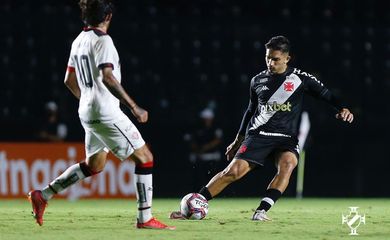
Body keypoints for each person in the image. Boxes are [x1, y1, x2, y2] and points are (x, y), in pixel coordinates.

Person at [171, 35, 354, 221]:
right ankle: (195, 204)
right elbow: (250, 112)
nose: (270, 63)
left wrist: (342, 109)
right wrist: (237, 141)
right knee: (233, 172)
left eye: (275, 59)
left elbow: (326, 95)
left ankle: (261, 211)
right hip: (259, 134)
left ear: (287, 58)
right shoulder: (257, 80)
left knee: (288, 164)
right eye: (267, 58)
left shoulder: (301, 78)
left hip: (286, 137)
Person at [28, 0, 174, 230]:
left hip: (87, 110)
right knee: (145, 157)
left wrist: (87, 99)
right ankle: (145, 218)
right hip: (105, 111)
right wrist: (134, 107)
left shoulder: (78, 40)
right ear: (108, 17)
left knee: (94, 165)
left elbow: (68, 80)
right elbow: (107, 76)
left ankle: (43, 195)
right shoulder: (103, 40)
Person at [185, 108, 223, 191]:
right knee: (198, 178)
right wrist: (197, 150)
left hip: (212, 157)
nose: (205, 120)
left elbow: (217, 140)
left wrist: (204, 148)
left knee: (212, 177)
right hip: (198, 157)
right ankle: (198, 193)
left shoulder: (215, 128)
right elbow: (191, 140)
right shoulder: (196, 128)